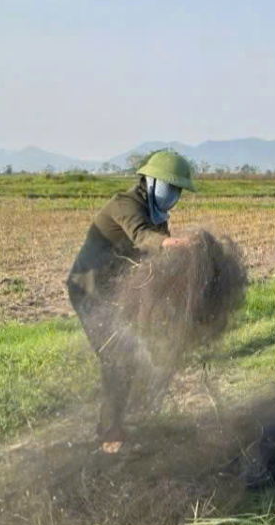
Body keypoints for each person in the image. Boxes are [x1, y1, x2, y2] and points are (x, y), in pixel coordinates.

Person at [65, 151, 197, 454]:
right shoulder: (125, 205)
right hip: (89, 289)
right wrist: (174, 244)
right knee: (116, 355)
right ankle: (109, 433)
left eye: (178, 191)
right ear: (150, 182)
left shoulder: (159, 218)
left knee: (137, 350)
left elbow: (158, 260)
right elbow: (142, 238)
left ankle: (119, 420)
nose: (174, 196)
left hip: (116, 292)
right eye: (170, 187)